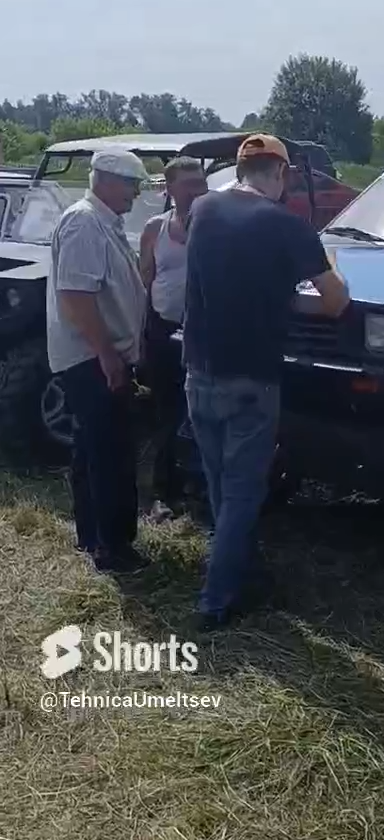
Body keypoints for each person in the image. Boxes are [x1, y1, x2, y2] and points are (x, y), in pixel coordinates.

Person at [183, 134, 351, 629]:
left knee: (220, 486)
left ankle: (239, 570)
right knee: (241, 493)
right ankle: (217, 601)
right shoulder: (287, 225)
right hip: (252, 379)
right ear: (281, 174)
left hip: (198, 372)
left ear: (239, 169)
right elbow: (336, 302)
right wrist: (332, 265)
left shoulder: (203, 209)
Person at [47, 148, 150, 572]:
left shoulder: (102, 222)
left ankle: (92, 536)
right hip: (92, 357)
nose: (135, 194)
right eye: (131, 185)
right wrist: (108, 355)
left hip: (97, 354)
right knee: (111, 453)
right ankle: (114, 548)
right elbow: (76, 296)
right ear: (106, 180)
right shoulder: (84, 223)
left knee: (92, 448)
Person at [139, 156, 208, 517]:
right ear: (169, 189)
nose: (198, 190)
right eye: (189, 184)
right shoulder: (155, 229)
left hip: (203, 335)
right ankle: (163, 492)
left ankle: (200, 486)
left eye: (201, 182)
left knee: (201, 413)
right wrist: (139, 335)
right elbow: (145, 282)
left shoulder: (214, 228)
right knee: (167, 413)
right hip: (163, 332)